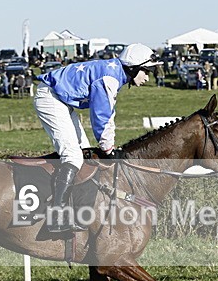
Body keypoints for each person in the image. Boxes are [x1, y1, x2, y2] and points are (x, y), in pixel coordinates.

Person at [34, 43, 160, 232]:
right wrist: (108, 149)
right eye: (146, 71)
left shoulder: (115, 73)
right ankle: (56, 216)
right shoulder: (110, 78)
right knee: (74, 156)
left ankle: (74, 211)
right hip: (50, 97)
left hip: (59, 99)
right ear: (133, 68)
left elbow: (107, 115)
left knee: (84, 154)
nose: (147, 77)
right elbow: (102, 117)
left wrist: (109, 147)